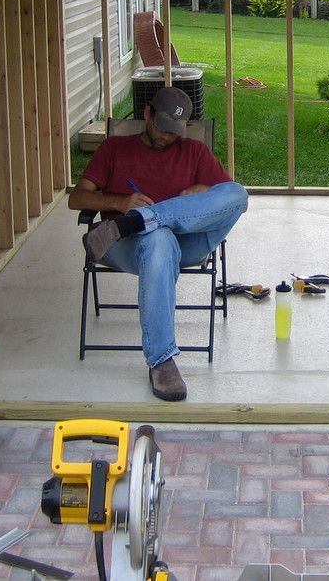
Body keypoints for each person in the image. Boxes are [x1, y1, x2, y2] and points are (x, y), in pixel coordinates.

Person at [68, 86, 248, 401]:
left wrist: (202, 189)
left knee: (238, 194)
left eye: (174, 131)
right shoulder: (114, 149)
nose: (166, 136)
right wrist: (121, 203)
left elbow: (226, 196)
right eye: (162, 126)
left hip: (187, 241)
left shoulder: (194, 152)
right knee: (159, 241)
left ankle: (148, 218)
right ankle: (162, 360)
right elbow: (77, 198)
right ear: (147, 114)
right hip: (122, 243)